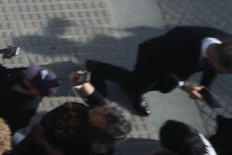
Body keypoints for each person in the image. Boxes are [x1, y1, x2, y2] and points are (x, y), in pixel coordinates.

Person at [85, 27, 232, 116]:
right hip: (153, 58)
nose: (220, 72)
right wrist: (183, 86)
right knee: (137, 82)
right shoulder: (182, 39)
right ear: (213, 57)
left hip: (174, 66)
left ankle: (135, 90)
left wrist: (204, 87)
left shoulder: (226, 46)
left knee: (158, 85)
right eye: (221, 70)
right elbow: (159, 67)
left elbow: (213, 67)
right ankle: (95, 68)